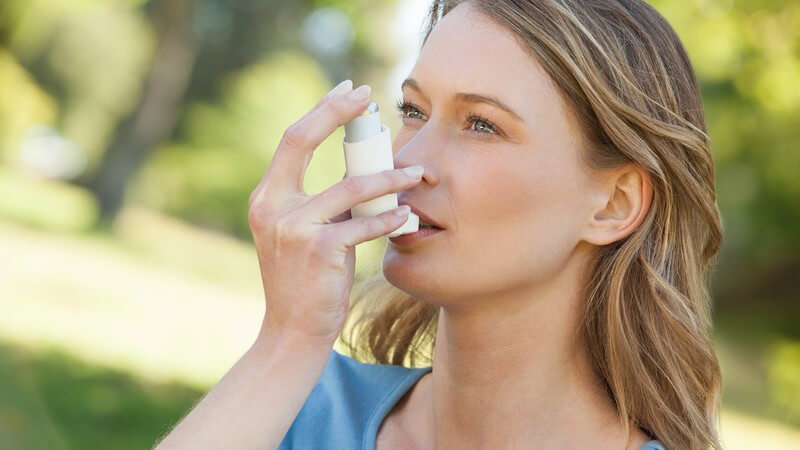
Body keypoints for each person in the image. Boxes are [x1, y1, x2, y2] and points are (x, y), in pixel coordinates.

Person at [154, 0, 724, 449]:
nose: (405, 163)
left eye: (481, 125)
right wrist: (287, 341)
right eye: (413, 111)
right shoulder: (290, 405)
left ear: (613, 204)